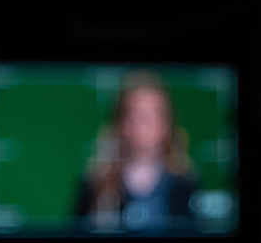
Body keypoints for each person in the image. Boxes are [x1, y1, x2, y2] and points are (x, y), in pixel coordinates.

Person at [73, 71, 200, 233]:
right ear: (121, 122)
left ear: (166, 123)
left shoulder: (185, 183)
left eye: (152, 116)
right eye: (136, 115)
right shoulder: (95, 182)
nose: (144, 126)